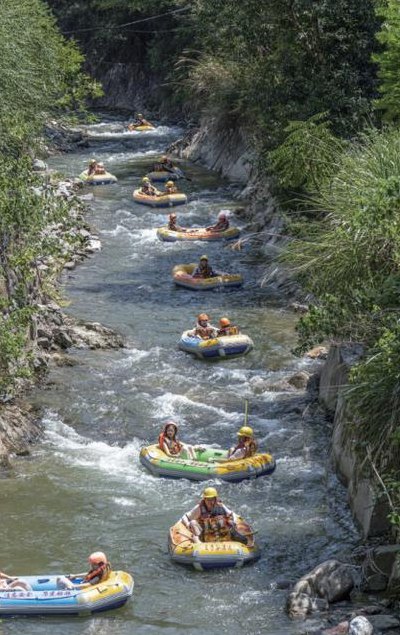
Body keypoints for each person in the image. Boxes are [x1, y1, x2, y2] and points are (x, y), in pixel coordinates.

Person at [181, 487, 247, 544]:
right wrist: (187, 524)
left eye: (212, 499)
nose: (211, 502)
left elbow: (231, 514)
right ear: (204, 499)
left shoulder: (220, 505)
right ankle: (199, 542)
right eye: (208, 500)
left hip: (218, 530)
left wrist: (234, 522)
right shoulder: (199, 508)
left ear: (215, 499)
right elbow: (185, 517)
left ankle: (229, 537)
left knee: (230, 522)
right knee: (193, 522)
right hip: (203, 531)